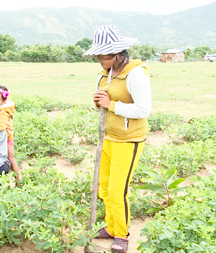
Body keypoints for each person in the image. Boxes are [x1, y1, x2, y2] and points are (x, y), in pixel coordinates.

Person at [83, 25, 151, 253]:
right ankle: (111, 227)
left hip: (128, 140)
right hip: (108, 138)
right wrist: (98, 102)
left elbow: (143, 110)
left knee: (117, 190)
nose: (100, 60)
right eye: (99, 56)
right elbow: (102, 107)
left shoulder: (136, 74)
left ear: (119, 53)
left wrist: (110, 104)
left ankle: (121, 234)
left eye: (105, 56)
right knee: (104, 187)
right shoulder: (104, 74)